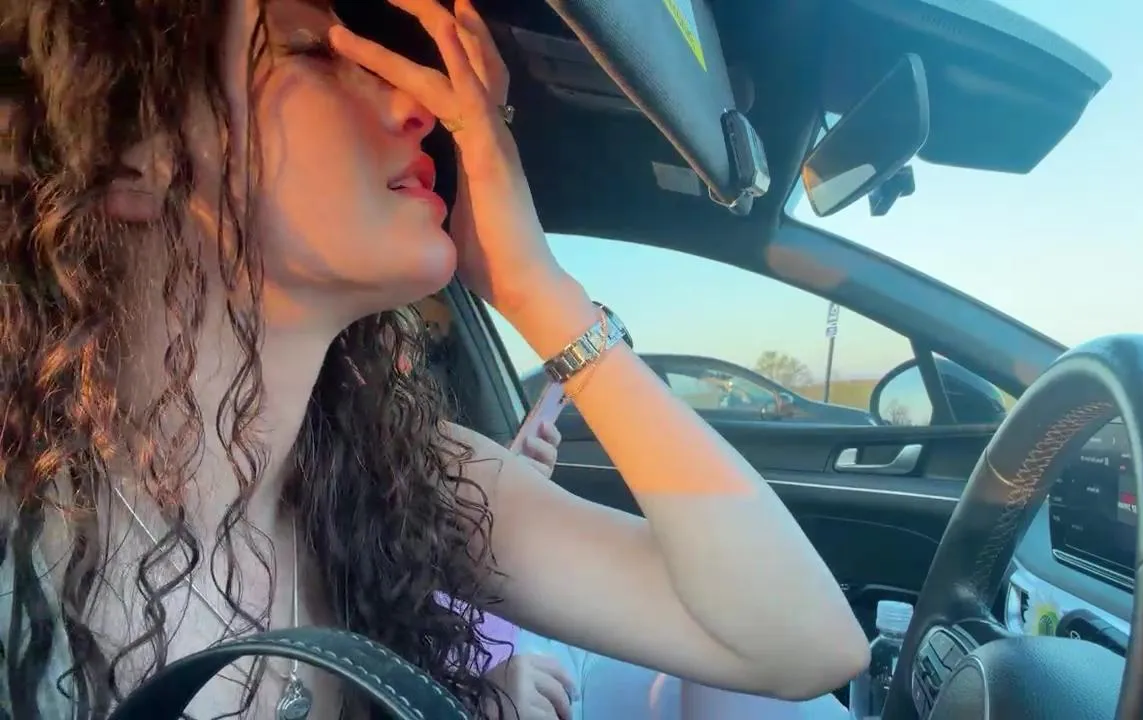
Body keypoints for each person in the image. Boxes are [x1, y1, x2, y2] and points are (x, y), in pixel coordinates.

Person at [0, 1, 869, 719]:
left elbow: (802, 644)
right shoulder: (22, 557)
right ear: (134, 157)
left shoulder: (405, 475)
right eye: (315, 52)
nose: (417, 109)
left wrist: (538, 290)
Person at [494, 419, 855, 720]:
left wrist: (506, 496)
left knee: (736, 620)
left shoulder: (474, 493)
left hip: (560, 642)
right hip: (530, 682)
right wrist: (475, 699)